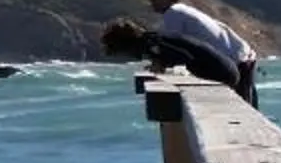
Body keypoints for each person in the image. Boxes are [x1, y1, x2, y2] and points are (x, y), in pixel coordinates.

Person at [150, 0, 259, 107]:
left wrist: (159, 63)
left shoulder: (173, 12)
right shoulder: (185, 10)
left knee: (243, 109)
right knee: (247, 106)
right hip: (242, 56)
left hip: (237, 61)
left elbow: (168, 43)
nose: (152, 2)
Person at [100, 17, 255, 106]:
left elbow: (185, 57)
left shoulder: (154, 44)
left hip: (224, 74)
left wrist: (162, 63)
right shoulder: (153, 40)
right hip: (225, 71)